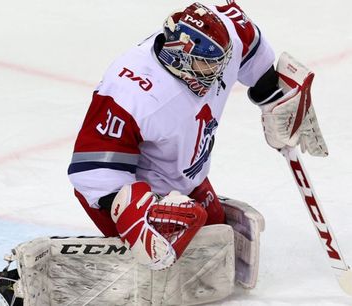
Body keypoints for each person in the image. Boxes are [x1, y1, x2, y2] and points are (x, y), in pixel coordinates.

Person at [68, 1, 327, 270]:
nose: (218, 73)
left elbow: (248, 44)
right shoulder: (131, 92)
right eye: (207, 65)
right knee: (176, 257)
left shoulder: (225, 39)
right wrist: (134, 217)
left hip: (183, 174)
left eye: (220, 63)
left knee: (211, 242)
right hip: (131, 192)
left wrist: (274, 96)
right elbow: (93, 168)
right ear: (179, 55)